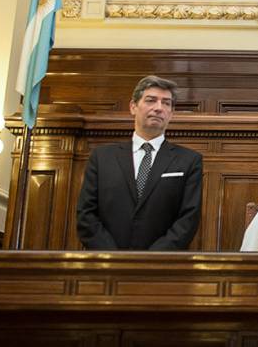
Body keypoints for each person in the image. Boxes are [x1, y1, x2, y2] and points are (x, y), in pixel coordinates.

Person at [76, 75, 202, 250]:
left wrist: (150, 259)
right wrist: (113, 257)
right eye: (151, 100)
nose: (159, 108)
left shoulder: (189, 161)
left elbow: (188, 219)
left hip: (161, 262)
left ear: (171, 113)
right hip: (106, 261)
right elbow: (86, 214)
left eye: (166, 103)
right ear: (133, 107)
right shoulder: (102, 157)